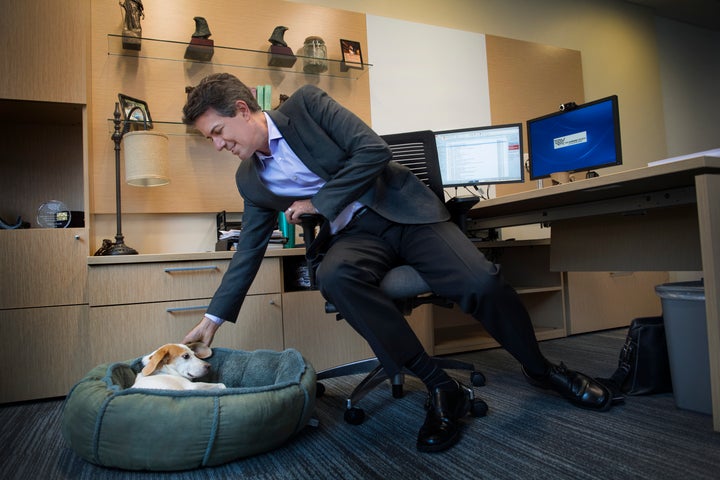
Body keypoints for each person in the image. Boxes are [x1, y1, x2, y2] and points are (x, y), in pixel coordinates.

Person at [181, 73, 613, 453]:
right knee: (333, 275)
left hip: (401, 212)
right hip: (353, 236)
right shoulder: (250, 179)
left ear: (242, 109)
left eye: (219, 132)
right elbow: (248, 251)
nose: (219, 145)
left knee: (481, 282)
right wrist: (212, 319)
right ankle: (442, 388)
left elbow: (372, 150)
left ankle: (541, 370)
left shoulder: (307, 106)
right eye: (211, 139)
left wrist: (318, 202)